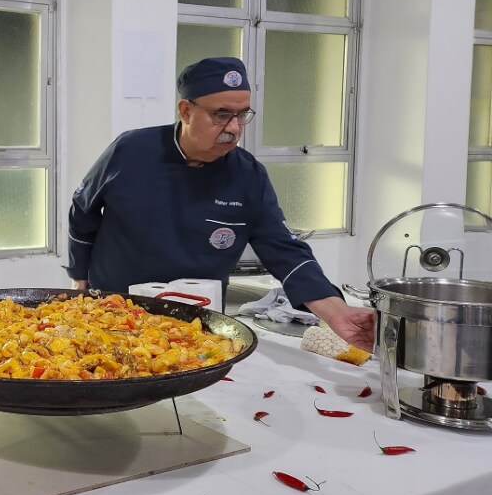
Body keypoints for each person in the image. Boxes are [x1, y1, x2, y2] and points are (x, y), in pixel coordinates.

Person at [66, 57, 374, 350]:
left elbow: (285, 250)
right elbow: (84, 210)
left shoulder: (248, 176)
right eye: (221, 114)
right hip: (114, 312)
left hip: (197, 323)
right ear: (185, 111)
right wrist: (80, 275)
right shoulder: (131, 151)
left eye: (242, 115)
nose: (234, 128)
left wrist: (336, 312)